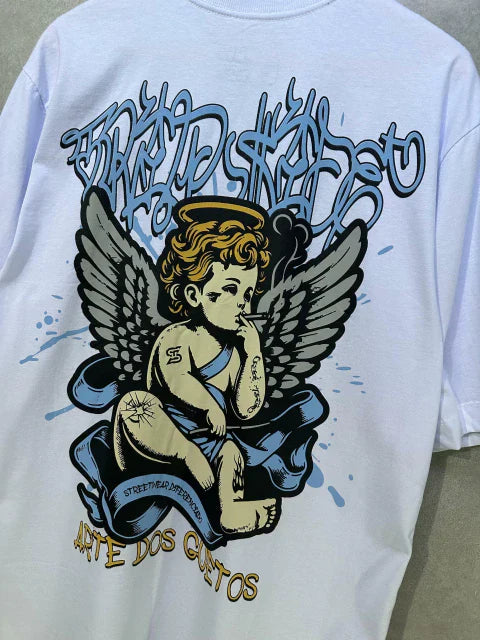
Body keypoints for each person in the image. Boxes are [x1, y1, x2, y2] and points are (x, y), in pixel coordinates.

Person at [113, 196, 278, 535]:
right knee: (133, 404)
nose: (243, 305)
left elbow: (247, 408)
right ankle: (185, 454)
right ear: (194, 295)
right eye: (231, 290)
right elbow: (176, 378)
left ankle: (231, 510)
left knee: (231, 452)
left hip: (208, 444)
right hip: (155, 440)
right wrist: (208, 407)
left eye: (248, 294)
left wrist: (253, 353)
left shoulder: (234, 354)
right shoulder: (178, 336)